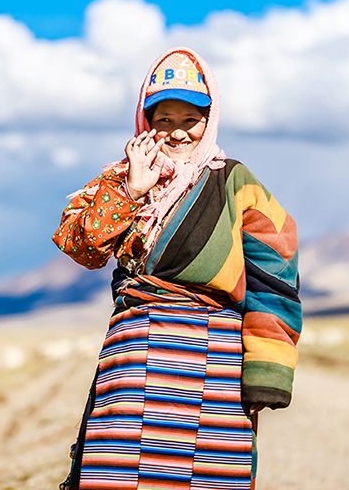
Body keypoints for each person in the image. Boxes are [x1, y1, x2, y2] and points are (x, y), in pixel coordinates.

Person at [53, 47, 302, 490]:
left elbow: (275, 262)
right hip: (135, 355)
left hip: (216, 361)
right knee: (119, 473)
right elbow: (82, 246)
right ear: (145, 123)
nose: (178, 133)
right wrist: (131, 189)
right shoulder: (118, 179)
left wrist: (267, 368)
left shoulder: (234, 180)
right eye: (164, 120)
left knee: (212, 474)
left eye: (191, 119)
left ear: (210, 119)